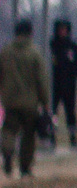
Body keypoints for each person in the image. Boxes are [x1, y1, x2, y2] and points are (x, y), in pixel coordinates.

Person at [3, 20, 49, 177]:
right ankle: (25, 167)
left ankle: (8, 153)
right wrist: (46, 102)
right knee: (29, 134)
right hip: (30, 103)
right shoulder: (35, 53)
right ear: (30, 33)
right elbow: (41, 80)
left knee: (9, 130)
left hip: (10, 101)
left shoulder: (5, 52)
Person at [49, 19, 77, 147]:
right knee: (53, 113)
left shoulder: (73, 47)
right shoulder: (52, 45)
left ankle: (73, 138)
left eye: (64, 29)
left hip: (69, 85)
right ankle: (51, 137)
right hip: (54, 85)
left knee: (70, 112)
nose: (62, 32)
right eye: (60, 29)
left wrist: (72, 78)